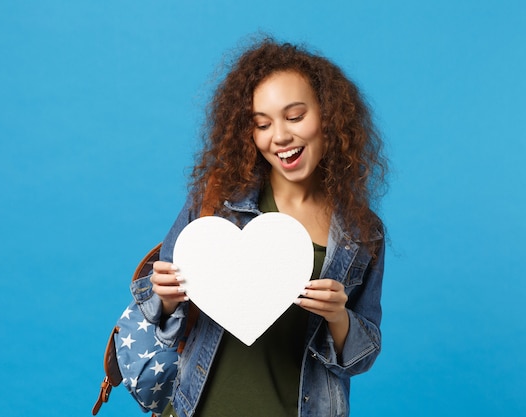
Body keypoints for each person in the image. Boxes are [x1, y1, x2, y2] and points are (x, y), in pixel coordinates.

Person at [133, 38, 387, 417]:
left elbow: (360, 356)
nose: (280, 136)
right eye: (262, 124)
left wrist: (338, 316)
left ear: (328, 116)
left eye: (295, 116)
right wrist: (167, 296)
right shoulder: (216, 200)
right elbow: (159, 313)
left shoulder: (362, 233)